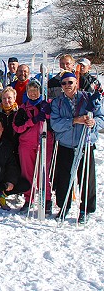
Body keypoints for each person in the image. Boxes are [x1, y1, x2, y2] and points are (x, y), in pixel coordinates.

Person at [50, 71, 104, 222]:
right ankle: (64, 206)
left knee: (86, 178)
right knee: (64, 178)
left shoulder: (88, 98)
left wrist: (94, 124)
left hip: (85, 143)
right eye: (64, 83)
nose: (67, 86)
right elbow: (55, 124)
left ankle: (86, 209)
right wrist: (75, 120)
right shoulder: (57, 102)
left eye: (70, 82)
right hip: (66, 145)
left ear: (76, 83)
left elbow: (101, 118)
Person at [13, 80, 53, 213]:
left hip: (44, 142)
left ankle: (46, 199)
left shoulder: (47, 104)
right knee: (27, 173)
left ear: (40, 91)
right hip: (27, 144)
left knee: (43, 172)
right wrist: (32, 121)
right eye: (30, 91)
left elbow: (53, 121)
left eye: (35, 90)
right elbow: (17, 127)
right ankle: (28, 198)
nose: (33, 93)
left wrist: (46, 113)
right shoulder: (23, 108)